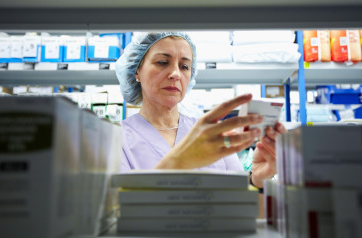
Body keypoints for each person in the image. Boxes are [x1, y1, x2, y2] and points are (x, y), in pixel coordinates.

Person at [116, 32, 286, 189]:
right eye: (162, 62)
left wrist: (256, 179)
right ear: (137, 70)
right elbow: (117, 208)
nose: (175, 73)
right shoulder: (116, 139)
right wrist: (178, 162)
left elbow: (239, 197)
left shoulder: (209, 132)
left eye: (184, 66)